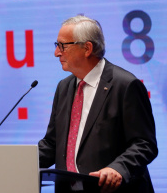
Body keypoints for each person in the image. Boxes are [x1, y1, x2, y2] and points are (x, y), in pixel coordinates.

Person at [38, 15, 157, 193]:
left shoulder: (125, 85)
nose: (57, 53)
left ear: (87, 48)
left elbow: (144, 143)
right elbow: (52, 144)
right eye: (57, 46)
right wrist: (17, 163)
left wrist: (118, 168)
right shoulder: (64, 87)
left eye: (62, 45)